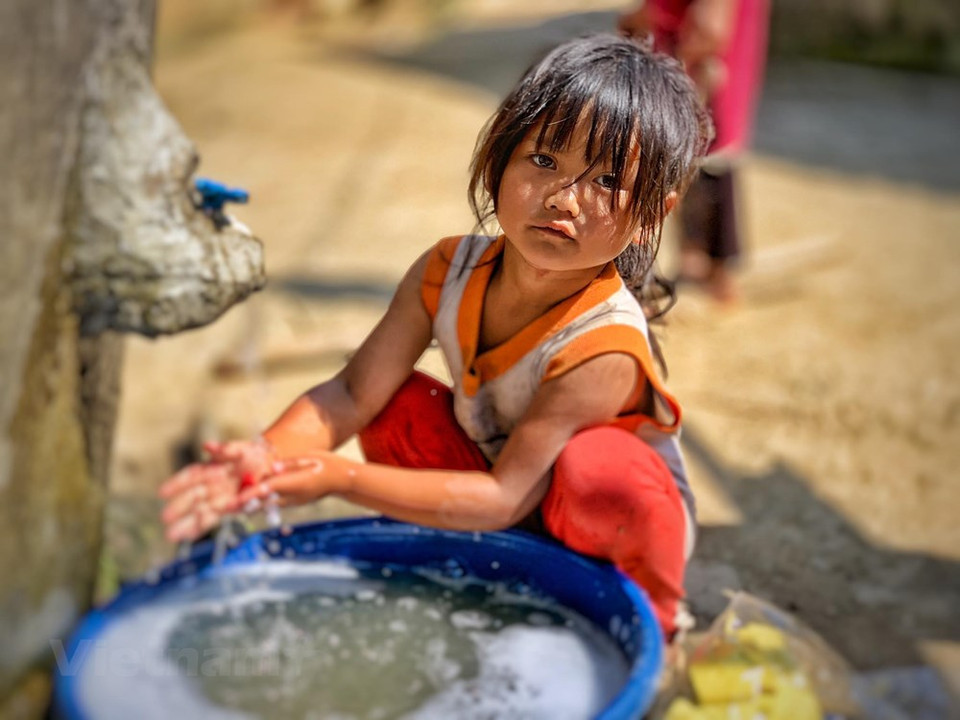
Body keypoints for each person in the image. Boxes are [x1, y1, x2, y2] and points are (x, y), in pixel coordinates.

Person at [158, 33, 712, 638]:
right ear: (499, 159)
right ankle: (484, 570)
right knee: (391, 407)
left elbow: (506, 495)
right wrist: (265, 458)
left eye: (605, 181)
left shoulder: (603, 348)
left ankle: (655, 620)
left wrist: (337, 478)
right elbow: (350, 394)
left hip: (604, 519)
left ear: (652, 215)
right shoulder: (446, 271)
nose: (564, 199)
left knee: (594, 470)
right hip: (505, 494)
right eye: (544, 161)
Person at [619, 0, 770, 303]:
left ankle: (712, 265)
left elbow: (710, 27)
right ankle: (695, 255)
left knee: (703, 137)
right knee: (692, 140)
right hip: (682, 29)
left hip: (697, 40)